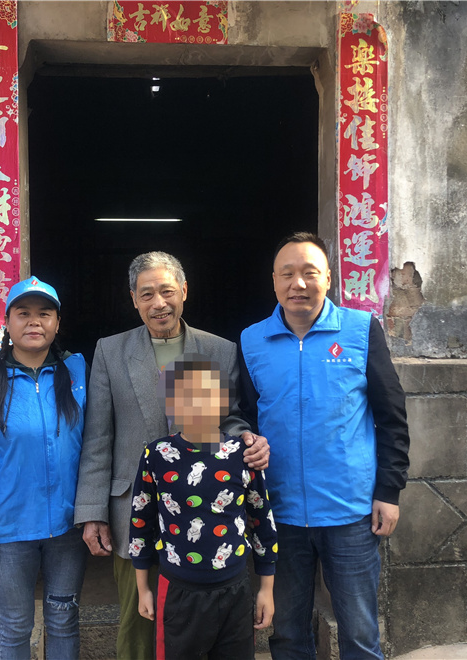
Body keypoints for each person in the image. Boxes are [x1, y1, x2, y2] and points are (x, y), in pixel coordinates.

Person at [74, 251, 270, 660]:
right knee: (138, 620)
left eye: (167, 291)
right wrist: (92, 511)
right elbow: (98, 436)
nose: (158, 303)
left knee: (206, 628)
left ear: (184, 291)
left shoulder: (219, 350)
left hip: (206, 512)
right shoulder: (111, 351)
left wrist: (248, 439)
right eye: (147, 294)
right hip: (134, 509)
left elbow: (231, 418)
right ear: (133, 299)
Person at [239, 232, 410, 660]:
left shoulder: (360, 330)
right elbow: (244, 416)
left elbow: (391, 416)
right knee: (287, 634)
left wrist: (388, 491)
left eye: (309, 273)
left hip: (350, 511)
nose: (298, 283)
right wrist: (245, 438)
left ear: (328, 278)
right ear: (274, 281)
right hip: (280, 513)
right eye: (287, 274)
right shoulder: (252, 341)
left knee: (359, 633)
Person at [0, 276, 87, 659]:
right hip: (10, 528)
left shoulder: (78, 372)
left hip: (68, 525)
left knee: (64, 618)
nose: (34, 322)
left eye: (44, 314)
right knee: (15, 625)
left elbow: (96, 444)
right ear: (7, 322)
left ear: (57, 323)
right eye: (23, 313)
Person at [130, 354, 277, 660]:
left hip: (235, 589)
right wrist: (143, 587)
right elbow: (141, 521)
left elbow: (262, 520)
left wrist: (266, 588)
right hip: (178, 591)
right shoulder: (156, 454)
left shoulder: (243, 453)